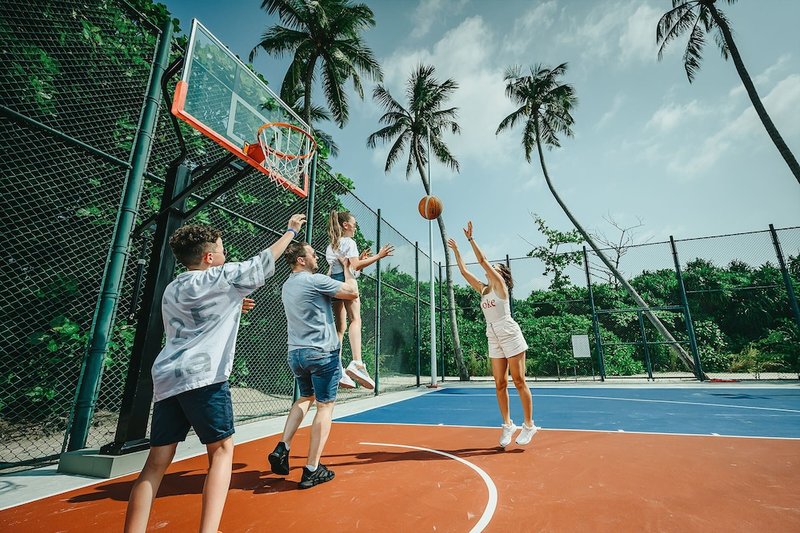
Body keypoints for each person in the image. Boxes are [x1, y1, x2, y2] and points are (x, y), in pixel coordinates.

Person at [124, 214, 306, 533]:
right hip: (204, 376)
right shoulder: (222, 276)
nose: (225, 253)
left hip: (168, 378)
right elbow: (264, 260)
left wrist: (232, 305)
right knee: (221, 451)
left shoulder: (173, 288)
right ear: (209, 257)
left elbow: (197, 317)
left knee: (154, 464)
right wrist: (290, 231)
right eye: (221, 249)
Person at [268, 241, 359, 488]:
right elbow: (352, 292)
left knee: (305, 397)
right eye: (312, 254)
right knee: (325, 406)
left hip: (296, 354)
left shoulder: (287, 285)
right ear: (301, 260)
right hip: (321, 354)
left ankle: (283, 446)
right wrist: (348, 267)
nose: (317, 256)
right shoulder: (315, 281)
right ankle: (311, 469)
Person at [447, 221, 538, 448]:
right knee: (499, 383)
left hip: (509, 332)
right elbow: (464, 272)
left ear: (501, 275)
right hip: (493, 335)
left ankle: (529, 425)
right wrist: (457, 250)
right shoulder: (484, 289)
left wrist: (470, 239)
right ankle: (508, 424)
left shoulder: (500, 287)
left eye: (495, 269)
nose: (490, 270)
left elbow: (482, 261)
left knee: (519, 381)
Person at [325, 210, 394, 389]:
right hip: (346, 282)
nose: (355, 227)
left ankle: (337, 367)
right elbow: (353, 266)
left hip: (333, 284)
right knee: (355, 319)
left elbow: (347, 266)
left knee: (340, 328)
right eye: (354, 224)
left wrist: (360, 261)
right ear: (346, 225)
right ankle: (356, 362)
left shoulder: (332, 245)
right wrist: (378, 256)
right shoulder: (349, 242)